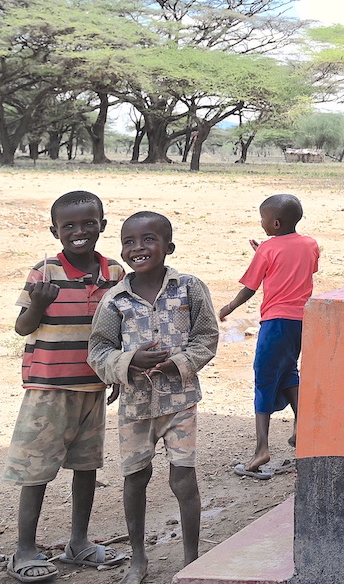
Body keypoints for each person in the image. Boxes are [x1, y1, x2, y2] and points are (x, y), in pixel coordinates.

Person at [2, 191, 127, 581]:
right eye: (69, 225)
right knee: (36, 471)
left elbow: (119, 328)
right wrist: (39, 304)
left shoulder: (116, 274)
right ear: (54, 230)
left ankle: (79, 543)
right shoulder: (45, 272)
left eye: (89, 223)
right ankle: (24, 549)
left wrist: (116, 370)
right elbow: (23, 327)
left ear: (102, 226)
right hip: (49, 389)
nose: (79, 231)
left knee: (86, 466)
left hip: (92, 388)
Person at [89, 212, 219, 584]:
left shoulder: (189, 288)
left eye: (148, 240)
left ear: (168, 247)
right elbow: (98, 351)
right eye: (129, 242)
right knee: (136, 477)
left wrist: (176, 364)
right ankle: (138, 559)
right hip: (135, 407)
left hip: (180, 403)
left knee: (183, 480)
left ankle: (192, 559)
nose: (138, 248)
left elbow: (207, 337)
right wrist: (130, 361)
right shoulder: (115, 299)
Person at [217, 193, 320, 478]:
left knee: (264, 378)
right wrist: (268, 252)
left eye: (263, 219)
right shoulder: (310, 244)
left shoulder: (267, 250)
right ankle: (301, 429)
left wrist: (228, 307)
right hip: (302, 322)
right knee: (288, 370)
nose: (261, 223)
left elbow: (250, 287)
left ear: (274, 223)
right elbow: (302, 267)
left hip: (275, 322)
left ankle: (261, 448)